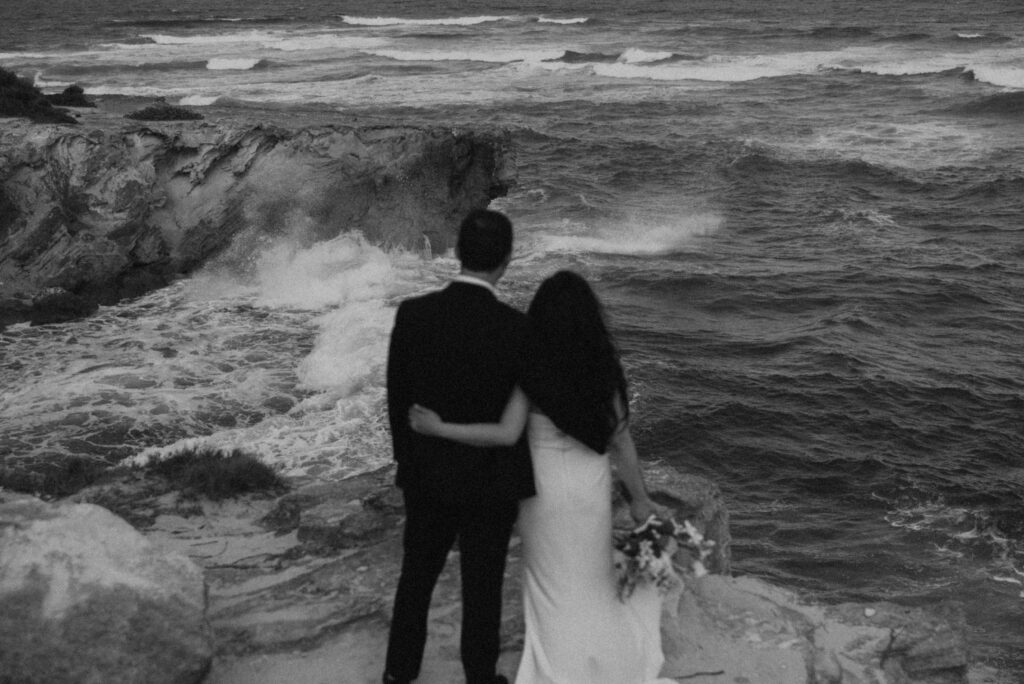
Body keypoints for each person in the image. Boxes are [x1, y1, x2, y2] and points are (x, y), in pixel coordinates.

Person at [409, 270, 676, 684]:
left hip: (542, 493)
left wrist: (440, 428)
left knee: (550, 582)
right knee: (593, 578)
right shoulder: (604, 369)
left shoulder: (530, 371)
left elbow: (505, 434)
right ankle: (609, 661)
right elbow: (621, 443)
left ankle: (557, 666)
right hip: (590, 489)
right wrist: (639, 499)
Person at [383, 209, 535, 684]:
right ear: (507, 261)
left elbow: (397, 400)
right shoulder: (518, 329)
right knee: (483, 585)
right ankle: (479, 676)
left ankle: (398, 675)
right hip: (490, 479)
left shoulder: (414, 314)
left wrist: (408, 465)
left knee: (416, 579)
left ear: (455, 253)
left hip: (426, 474)